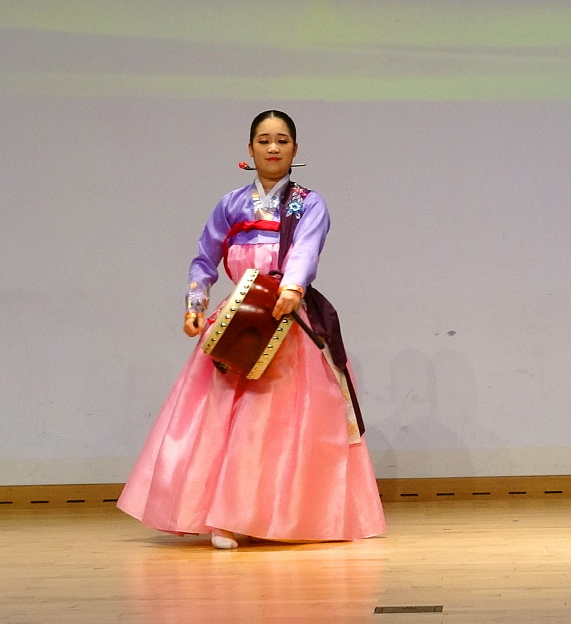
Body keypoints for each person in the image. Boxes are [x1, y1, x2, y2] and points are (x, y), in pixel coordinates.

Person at [117, 110, 385, 548]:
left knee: (273, 424)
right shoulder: (231, 204)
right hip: (239, 316)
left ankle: (285, 516)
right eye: (264, 140)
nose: (273, 148)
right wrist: (195, 304)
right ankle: (224, 517)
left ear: (295, 149)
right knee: (223, 420)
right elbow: (204, 259)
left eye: (282, 140)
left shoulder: (308, 203)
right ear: (250, 149)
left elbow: (305, 250)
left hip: (287, 316)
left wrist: (293, 287)